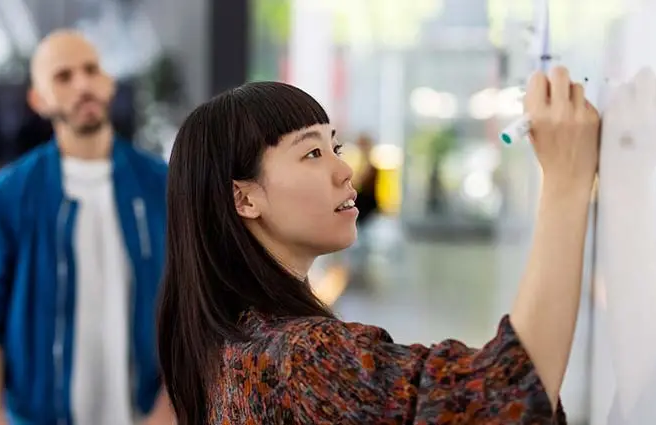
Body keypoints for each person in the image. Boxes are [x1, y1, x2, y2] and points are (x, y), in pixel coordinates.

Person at [157, 67, 600, 424]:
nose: (344, 170)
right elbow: (505, 398)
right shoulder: (300, 357)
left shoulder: (230, 341)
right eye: (312, 153)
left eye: (336, 147)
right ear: (245, 198)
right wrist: (566, 182)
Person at [0, 30, 173, 425]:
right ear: (38, 100)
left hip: (145, 414)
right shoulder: (8, 194)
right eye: (63, 77)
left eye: (91, 70)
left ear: (109, 83)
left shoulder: (161, 184)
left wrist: (170, 407)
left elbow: (194, 309)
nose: (82, 85)